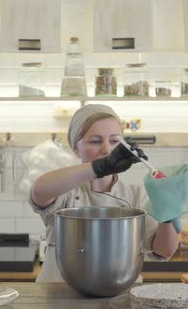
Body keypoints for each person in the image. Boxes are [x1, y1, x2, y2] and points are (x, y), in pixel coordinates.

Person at [30, 104, 179, 282]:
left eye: (115, 141)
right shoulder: (65, 189)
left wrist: (167, 214)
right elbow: (39, 190)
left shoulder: (136, 194)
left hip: (120, 295)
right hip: (60, 296)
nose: (107, 150)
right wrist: (99, 167)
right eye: (95, 141)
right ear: (75, 148)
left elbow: (164, 250)